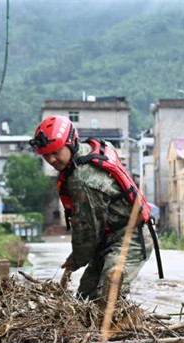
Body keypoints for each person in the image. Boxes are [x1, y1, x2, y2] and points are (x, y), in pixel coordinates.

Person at [30, 115, 161, 302]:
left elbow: (88, 231)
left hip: (130, 237)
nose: (51, 159)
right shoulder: (89, 150)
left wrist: (75, 260)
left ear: (70, 142)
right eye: (45, 155)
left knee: (107, 299)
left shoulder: (82, 180)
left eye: (56, 152)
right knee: (85, 298)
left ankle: (117, 329)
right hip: (108, 240)